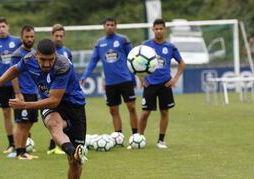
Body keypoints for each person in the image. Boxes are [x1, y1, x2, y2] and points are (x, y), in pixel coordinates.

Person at [0, 38, 88, 179]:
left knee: (74, 164)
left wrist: (24, 105)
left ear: (55, 56)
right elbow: (15, 70)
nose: (46, 64)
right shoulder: (29, 59)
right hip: (51, 105)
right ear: (36, 55)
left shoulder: (63, 65)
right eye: (43, 59)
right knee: (53, 123)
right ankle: (71, 150)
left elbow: (54, 100)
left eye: (50, 59)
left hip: (74, 106)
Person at [80, 16, 138, 137]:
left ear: (115, 26)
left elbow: (132, 58)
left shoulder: (123, 40)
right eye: (108, 25)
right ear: (104, 26)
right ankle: (118, 137)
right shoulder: (100, 43)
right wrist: (85, 76)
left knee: (131, 107)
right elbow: (92, 61)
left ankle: (135, 135)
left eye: (112, 25)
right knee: (113, 110)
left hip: (125, 80)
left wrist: (134, 78)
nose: (110, 27)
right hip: (110, 83)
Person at [138, 18, 186, 149]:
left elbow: (182, 63)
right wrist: (141, 79)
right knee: (145, 113)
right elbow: (135, 62)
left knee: (164, 112)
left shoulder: (170, 47)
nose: (158, 31)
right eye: (156, 29)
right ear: (152, 30)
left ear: (165, 30)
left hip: (165, 84)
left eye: (161, 29)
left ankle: (161, 140)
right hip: (150, 84)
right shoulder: (146, 45)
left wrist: (175, 79)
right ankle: (139, 139)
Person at [0, 17, 21, 154]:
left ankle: (25, 140)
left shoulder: (17, 41)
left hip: (17, 83)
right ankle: (11, 143)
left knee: (20, 112)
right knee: (6, 113)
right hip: (2, 84)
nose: (1, 29)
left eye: (3, 26)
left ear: (8, 27)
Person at [9, 24, 39, 160]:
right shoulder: (17, 54)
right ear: (22, 37)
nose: (29, 39)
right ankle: (18, 152)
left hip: (33, 93)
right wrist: (18, 93)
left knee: (29, 123)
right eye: (27, 37)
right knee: (21, 122)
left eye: (32, 36)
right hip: (23, 93)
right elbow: (13, 74)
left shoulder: (34, 53)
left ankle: (23, 150)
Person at [47, 23, 73, 155]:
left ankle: (53, 145)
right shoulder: (47, 52)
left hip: (65, 91)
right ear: (52, 35)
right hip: (52, 90)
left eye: (61, 36)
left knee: (61, 119)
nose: (58, 38)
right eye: (56, 35)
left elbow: (71, 71)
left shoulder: (67, 52)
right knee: (55, 118)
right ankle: (57, 146)